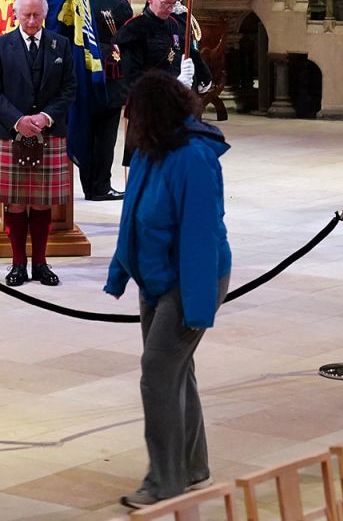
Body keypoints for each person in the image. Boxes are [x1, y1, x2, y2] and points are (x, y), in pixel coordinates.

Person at [104, 70, 231, 509]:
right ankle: (192, 465)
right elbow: (132, 216)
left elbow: (200, 238)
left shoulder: (194, 158)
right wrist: (120, 272)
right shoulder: (148, 152)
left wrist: (196, 309)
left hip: (190, 281)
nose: (127, 123)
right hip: (155, 279)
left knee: (158, 374)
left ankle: (164, 482)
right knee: (178, 374)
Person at [0, 0, 77, 286]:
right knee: (16, 203)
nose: (32, 21)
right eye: (26, 15)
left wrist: (45, 117)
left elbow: (69, 89)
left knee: (41, 203)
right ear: (16, 14)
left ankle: (40, 263)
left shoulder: (60, 46)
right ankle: (18, 264)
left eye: (37, 15)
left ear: (46, 14)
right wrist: (18, 120)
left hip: (49, 133)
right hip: (10, 133)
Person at [114, 0, 213, 165]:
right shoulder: (134, 30)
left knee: (173, 161)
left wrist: (187, 76)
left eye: (173, 4)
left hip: (172, 106)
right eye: (165, 4)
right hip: (147, 106)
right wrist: (172, 85)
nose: (169, 9)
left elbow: (175, 59)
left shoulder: (175, 25)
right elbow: (132, 77)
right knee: (147, 164)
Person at [81, 0, 133, 201]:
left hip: (84, 74)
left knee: (87, 132)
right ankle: (101, 186)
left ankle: (88, 184)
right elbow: (124, 39)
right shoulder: (119, 4)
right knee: (106, 134)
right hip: (110, 76)